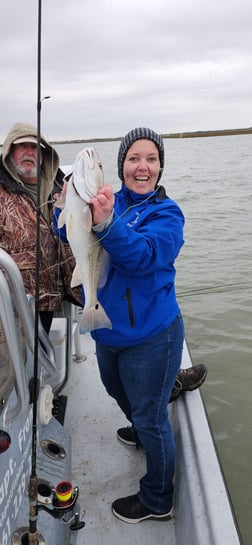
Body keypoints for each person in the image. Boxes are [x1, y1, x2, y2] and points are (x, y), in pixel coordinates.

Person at [54, 127, 207, 523]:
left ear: (160, 167)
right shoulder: (108, 200)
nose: (143, 167)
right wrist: (65, 209)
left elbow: (143, 257)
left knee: (152, 417)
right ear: (121, 166)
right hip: (108, 330)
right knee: (115, 391)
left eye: (151, 159)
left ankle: (158, 499)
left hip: (153, 337)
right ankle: (140, 429)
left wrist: (106, 225)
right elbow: (68, 233)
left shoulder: (167, 215)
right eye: (134, 158)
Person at [0, 122, 82, 334]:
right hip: (11, 304)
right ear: (9, 150)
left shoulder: (62, 189)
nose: (29, 152)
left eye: (35, 147)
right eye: (22, 146)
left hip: (52, 300)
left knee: (38, 359)